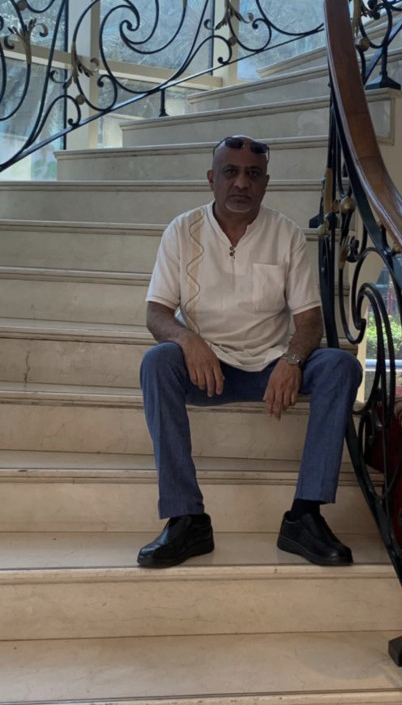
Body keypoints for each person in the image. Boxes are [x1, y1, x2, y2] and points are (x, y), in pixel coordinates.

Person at [137, 135, 362, 569]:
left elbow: (310, 321)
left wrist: (292, 360)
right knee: (157, 362)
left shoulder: (286, 234)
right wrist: (188, 340)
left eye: (253, 174)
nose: (241, 183)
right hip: (206, 369)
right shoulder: (182, 230)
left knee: (340, 365)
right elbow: (156, 313)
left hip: (271, 368)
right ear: (212, 178)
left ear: (265, 183)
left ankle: (304, 516)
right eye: (231, 172)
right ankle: (186, 519)